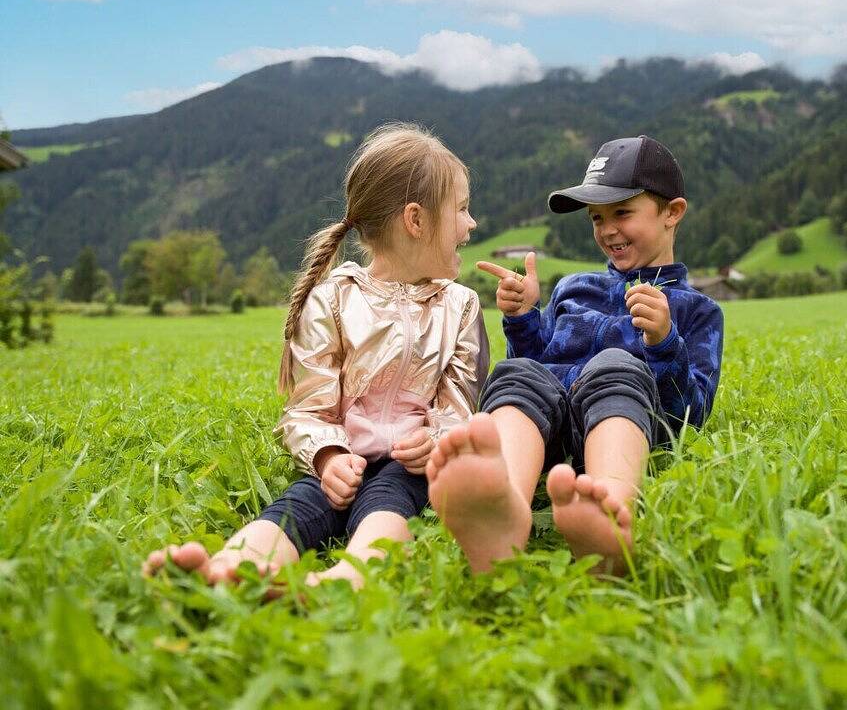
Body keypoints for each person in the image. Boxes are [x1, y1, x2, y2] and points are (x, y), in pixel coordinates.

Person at [143, 123, 489, 590]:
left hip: (411, 468)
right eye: (462, 209)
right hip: (343, 461)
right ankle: (230, 567)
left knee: (390, 501)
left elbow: (461, 405)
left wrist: (434, 440)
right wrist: (328, 456)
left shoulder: (460, 305)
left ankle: (343, 583)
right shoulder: (332, 300)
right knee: (299, 504)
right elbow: (308, 407)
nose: (471, 224)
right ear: (416, 220)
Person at [426, 135, 723, 575]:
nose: (607, 229)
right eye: (597, 217)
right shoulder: (573, 287)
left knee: (615, 365)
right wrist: (524, 316)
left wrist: (664, 342)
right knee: (518, 371)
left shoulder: (696, 311)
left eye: (622, 213)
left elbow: (689, 419)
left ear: (672, 212)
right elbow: (538, 364)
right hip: (550, 431)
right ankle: (505, 504)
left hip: (620, 425)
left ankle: (611, 511)